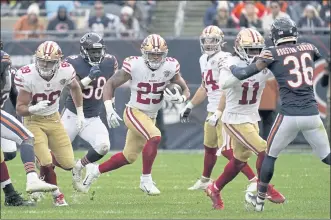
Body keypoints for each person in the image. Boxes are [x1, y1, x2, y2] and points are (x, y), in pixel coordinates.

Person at [229, 17, 330, 211]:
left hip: (288, 115)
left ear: (274, 35)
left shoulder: (271, 53)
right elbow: (315, 57)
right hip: (311, 114)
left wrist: (229, 66)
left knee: (270, 155)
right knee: (327, 157)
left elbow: (243, 73)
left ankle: (259, 202)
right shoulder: (309, 48)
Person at [79, 34, 190, 195]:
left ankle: (94, 171)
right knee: (155, 136)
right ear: (144, 53)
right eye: (152, 54)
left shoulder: (171, 66)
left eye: (159, 55)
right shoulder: (134, 65)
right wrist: (109, 109)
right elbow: (110, 84)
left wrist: (181, 98)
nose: (156, 58)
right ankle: (145, 180)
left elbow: (185, 89)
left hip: (151, 115)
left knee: (128, 157)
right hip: (134, 111)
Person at [204, 28, 285, 210]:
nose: (255, 54)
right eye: (250, 50)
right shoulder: (230, 61)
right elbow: (224, 84)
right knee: (264, 150)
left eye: (258, 49)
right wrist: (247, 71)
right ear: (240, 48)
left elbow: (282, 75)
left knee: (239, 160)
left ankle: (214, 188)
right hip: (234, 118)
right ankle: (264, 188)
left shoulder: (264, 62)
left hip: (251, 117)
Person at [180, 26, 257, 192]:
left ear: (221, 41)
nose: (209, 44)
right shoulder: (203, 59)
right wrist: (190, 105)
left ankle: (254, 179)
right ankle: (205, 180)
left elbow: (227, 87)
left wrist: (219, 111)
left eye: (213, 40)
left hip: (223, 109)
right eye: (206, 40)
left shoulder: (226, 58)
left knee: (228, 150)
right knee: (209, 146)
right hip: (211, 108)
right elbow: (204, 87)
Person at [15, 41, 85, 206]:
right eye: (42, 60)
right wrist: (33, 109)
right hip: (33, 121)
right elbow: (20, 109)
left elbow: (75, 87)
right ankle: (57, 195)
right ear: (36, 59)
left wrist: (80, 113)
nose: (45, 65)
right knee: (46, 162)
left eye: (50, 62)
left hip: (54, 119)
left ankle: (42, 176)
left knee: (68, 163)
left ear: (59, 61)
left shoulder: (66, 71)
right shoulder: (27, 75)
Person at [1, 40, 58, 206]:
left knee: (9, 153)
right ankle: (32, 178)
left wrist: (26, 113)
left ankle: (11, 196)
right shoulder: (4, 61)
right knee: (27, 137)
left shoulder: (10, 73)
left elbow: (14, 98)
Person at [62, 32, 118, 193]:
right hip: (71, 115)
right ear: (84, 50)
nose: (96, 54)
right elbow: (69, 87)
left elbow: (111, 85)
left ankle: (79, 166)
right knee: (57, 156)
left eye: (98, 50)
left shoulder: (110, 62)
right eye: (92, 51)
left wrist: (110, 108)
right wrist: (87, 79)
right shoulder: (72, 62)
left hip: (93, 117)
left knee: (103, 146)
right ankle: (42, 184)